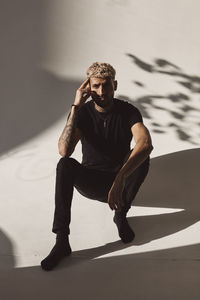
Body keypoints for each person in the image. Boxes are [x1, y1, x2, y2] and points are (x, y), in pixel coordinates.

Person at [41, 62, 153, 271]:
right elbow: (64, 150)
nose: (101, 92)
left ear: (115, 85)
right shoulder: (82, 113)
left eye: (106, 86)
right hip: (92, 182)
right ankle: (62, 241)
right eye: (96, 86)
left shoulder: (128, 111)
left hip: (122, 184)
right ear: (88, 88)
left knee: (142, 156)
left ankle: (120, 215)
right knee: (64, 164)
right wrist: (75, 107)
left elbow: (145, 143)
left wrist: (120, 178)